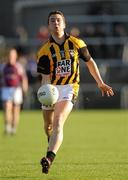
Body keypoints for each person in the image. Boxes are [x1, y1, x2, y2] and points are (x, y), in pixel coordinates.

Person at [36, 11, 114, 174]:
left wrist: (100, 83)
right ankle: (51, 141)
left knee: (58, 121)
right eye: (52, 21)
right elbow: (45, 77)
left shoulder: (76, 43)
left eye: (59, 20)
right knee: (48, 125)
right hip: (52, 87)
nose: (56, 23)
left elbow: (90, 62)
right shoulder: (44, 51)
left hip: (69, 87)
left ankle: (49, 158)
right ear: (49, 26)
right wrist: (45, 92)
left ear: (64, 24)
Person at [1, 48, 28, 135]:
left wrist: (24, 88)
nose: (10, 57)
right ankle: (7, 126)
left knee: (15, 110)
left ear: (15, 56)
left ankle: (14, 127)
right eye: (9, 55)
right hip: (6, 89)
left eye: (12, 55)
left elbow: (23, 78)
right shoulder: (3, 66)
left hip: (17, 90)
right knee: (7, 107)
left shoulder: (18, 66)